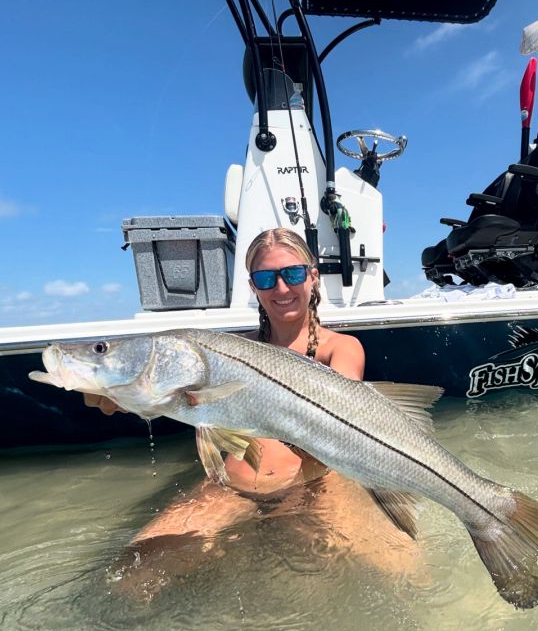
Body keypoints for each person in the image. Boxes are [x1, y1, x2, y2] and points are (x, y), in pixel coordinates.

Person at [94, 228, 419, 599]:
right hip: (232, 488)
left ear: (313, 276)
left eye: (293, 274)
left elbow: (343, 424)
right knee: (129, 576)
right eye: (266, 279)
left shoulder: (341, 348)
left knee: (407, 575)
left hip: (316, 487)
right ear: (253, 287)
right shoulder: (232, 350)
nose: (281, 288)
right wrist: (118, 394)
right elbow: (168, 397)